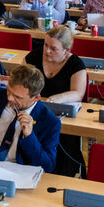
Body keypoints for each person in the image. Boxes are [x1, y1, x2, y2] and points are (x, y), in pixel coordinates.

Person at [24, 25, 87, 177]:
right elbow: (22, 80)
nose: (47, 51)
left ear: (66, 51)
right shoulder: (34, 56)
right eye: (46, 45)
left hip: (60, 115)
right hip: (34, 110)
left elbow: (78, 93)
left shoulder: (75, 64)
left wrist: (58, 98)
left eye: (53, 48)